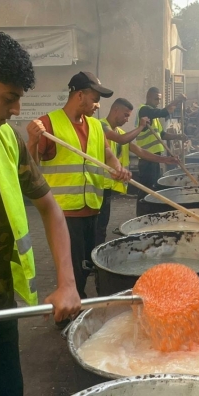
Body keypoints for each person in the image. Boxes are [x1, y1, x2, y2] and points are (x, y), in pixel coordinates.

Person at [0, 28, 81, 396]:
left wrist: (67, 283)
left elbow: (50, 208)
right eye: (9, 98)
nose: (17, 110)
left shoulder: (6, 138)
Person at [26, 71, 131, 301]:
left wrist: (116, 167)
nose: (97, 105)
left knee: (85, 264)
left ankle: (75, 306)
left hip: (93, 206)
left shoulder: (96, 126)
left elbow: (106, 153)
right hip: (64, 212)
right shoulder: (47, 124)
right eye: (95, 99)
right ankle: (68, 314)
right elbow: (32, 168)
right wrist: (33, 142)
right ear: (79, 95)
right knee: (72, 269)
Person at [96, 98, 179, 246]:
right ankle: (92, 258)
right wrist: (141, 126)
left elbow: (140, 151)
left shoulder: (120, 131)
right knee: (97, 226)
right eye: (125, 115)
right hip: (95, 186)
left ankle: (95, 255)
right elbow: (121, 140)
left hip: (106, 187)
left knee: (102, 224)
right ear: (115, 110)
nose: (127, 119)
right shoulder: (100, 126)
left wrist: (165, 160)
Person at [135, 87, 186, 215]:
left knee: (153, 189)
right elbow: (164, 112)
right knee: (146, 190)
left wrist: (178, 136)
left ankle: (150, 215)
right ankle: (141, 217)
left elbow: (162, 134)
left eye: (159, 99)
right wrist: (177, 100)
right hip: (146, 158)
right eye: (156, 99)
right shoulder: (144, 110)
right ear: (148, 97)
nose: (158, 101)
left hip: (155, 158)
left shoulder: (153, 116)